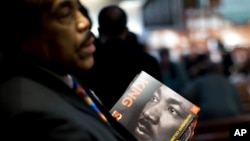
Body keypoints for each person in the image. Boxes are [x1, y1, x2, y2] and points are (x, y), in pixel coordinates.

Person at [0, 0, 137, 141]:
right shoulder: (37, 117)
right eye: (65, 13)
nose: (84, 22)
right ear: (22, 34)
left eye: (78, 8)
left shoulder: (65, 76)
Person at [82, 5, 162, 110]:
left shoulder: (88, 62)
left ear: (99, 30)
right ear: (126, 30)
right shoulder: (148, 62)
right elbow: (158, 99)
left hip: (100, 122)